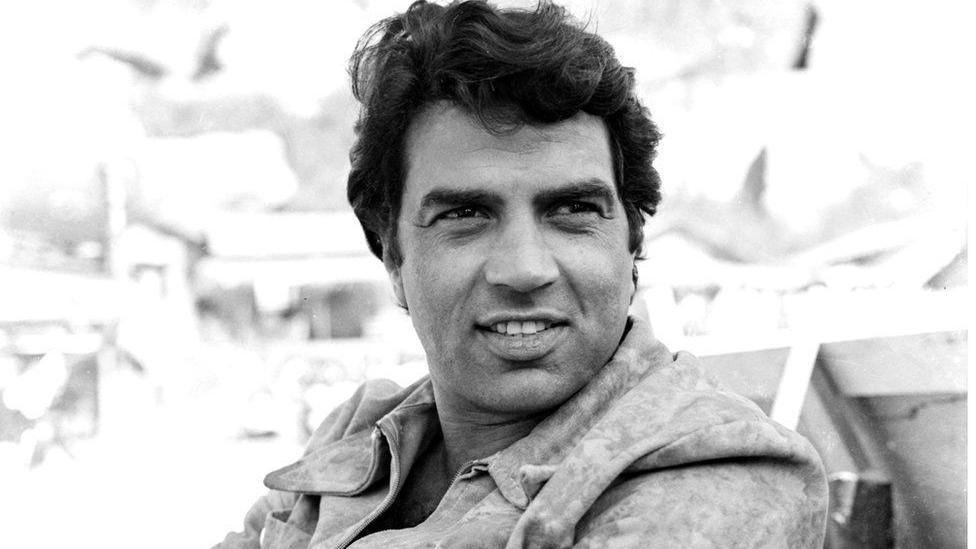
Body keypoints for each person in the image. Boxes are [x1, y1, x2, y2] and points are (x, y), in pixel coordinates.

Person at [216, 1, 828, 547]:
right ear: (392, 255)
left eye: (573, 210)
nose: (525, 269)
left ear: (631, 243)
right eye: (465, 214)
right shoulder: (359, 437)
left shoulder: (720, 471)